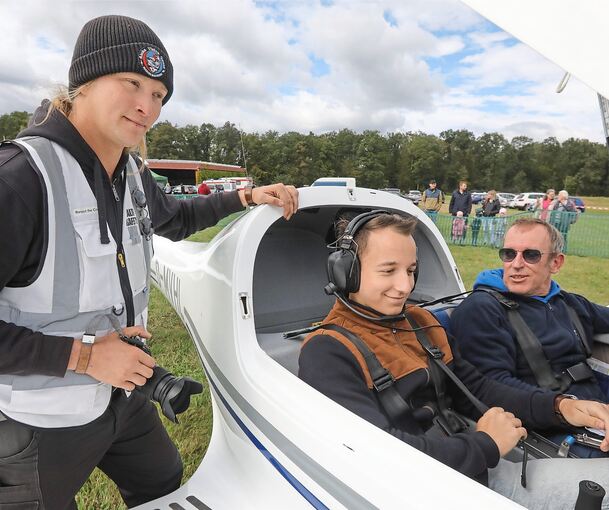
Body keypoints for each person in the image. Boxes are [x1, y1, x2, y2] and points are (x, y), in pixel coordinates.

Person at [0, 15, 298, 510]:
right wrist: (87, 356)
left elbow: (174, 218)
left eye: (159, 95)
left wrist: (245, 198)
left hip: (124, 396)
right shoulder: (20, 179)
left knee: (164, 481)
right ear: (84, 83)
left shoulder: (129, 170)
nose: (147, 106)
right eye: (132, 84)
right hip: (39, 419)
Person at [298, 211, 609, 509]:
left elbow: (478, 389)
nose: (406, 286)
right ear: (346, 272)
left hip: (469, 460)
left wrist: (560, 407)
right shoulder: (327, 350)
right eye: (388, 270)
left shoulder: (419, 321)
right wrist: (485, 444)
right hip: (436, 487)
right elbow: (378, 453)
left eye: (410, 270)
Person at [451, 218, 609, 458]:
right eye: (509, 254)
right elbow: (486, 386)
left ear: (555, 262)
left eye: (531, 255)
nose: (516, 264)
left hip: (595, 410)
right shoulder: (482, 309)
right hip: (544, 429)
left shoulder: (568, 303)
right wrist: (562, 406)